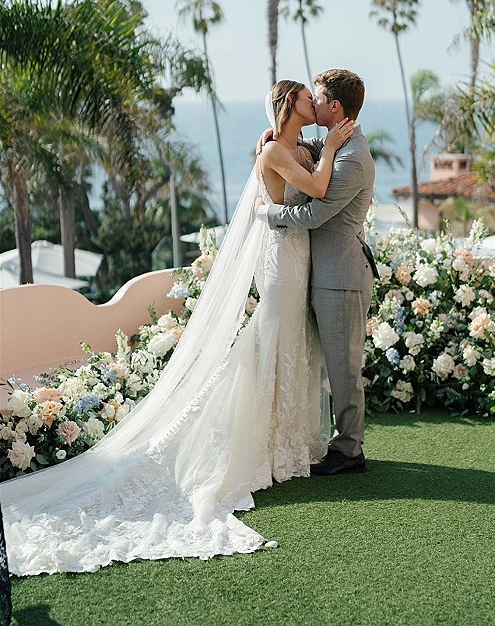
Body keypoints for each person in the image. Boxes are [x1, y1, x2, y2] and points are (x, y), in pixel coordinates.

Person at [0, 80, 353, 576]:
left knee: (290, 343)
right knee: (272, 340)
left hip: (300, 258)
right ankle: (263, 442)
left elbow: (311, 180)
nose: (312, 105)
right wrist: (334, 147)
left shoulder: (295, 145)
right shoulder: (274, 148)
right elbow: (316, 188)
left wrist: (324, 146)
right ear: (289, 105)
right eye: (305, 99)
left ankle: (286, 442)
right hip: (281, 261)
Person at [256, 69, 376, 475]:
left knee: (344, 366)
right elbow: (300, 149)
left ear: (335, 107)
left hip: (340, 275)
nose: (315, 103)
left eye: (319, 97)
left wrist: (270, 215)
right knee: (322, 360)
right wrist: (269, 136)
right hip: (317, 271)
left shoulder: (353, 157)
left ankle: (349, 452)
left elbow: (314, 213)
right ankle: (336, 443)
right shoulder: (335, 144)